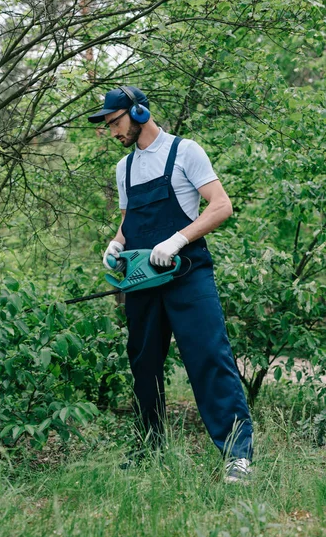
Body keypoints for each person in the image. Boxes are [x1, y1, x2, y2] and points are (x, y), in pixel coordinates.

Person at [88, 86, 253, 483]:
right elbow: (129, 221)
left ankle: (237, 455)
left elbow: (221, 205)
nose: (113, 133)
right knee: (143, 364)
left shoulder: (186, 151)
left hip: (188, 273)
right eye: (109, 125)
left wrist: (179, 239)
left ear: (139, 113)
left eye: (115, 122)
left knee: (209, 358)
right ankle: (150, 448)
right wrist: (117, 243)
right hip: (143, 280)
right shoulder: (123, 169)